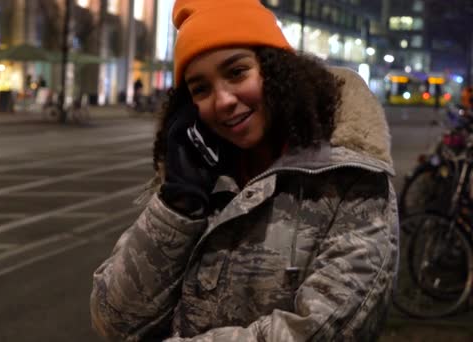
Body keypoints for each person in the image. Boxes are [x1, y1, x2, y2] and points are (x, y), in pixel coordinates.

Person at [90, 0, 398, 341]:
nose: (222, 100)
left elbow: (322, 330)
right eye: (201, 89)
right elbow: (114, 321)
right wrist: (177, 204)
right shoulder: (199, 177)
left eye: (236, 72)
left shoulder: (350, 177)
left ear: (277, 69)